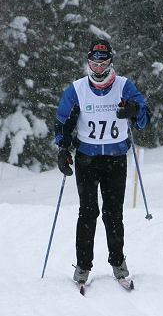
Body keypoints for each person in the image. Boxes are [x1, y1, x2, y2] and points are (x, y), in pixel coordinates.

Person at [54, 39, 150, 284]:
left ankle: (118, 262)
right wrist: (63, 149)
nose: (98, 69)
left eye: (103, 63)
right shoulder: (77, 89)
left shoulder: (123, 86)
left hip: (115, 158)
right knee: (88, 212)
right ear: (88, 63)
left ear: (110, 63)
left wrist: (134, 110)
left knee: (113, 212)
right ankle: (83, 266)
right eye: (94, 64)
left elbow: (144, 116)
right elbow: (63, 121)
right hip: (87, 159)